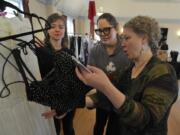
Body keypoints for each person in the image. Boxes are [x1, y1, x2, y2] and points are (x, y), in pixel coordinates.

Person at [76, 15, 179, 135]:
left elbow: (145, 119)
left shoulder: (163, 73)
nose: (123, 43)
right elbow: (105, 97)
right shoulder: (128, 70)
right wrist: (73, 103)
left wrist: (105, 86)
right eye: (122, 38)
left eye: (127, 38)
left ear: (144, 39)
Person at [86, 13, 130, 135]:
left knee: (114, 130)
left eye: (106, 29)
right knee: (98, 127)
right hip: (102, 99)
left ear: (116, 28)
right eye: (99, 31)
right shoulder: (95, 51)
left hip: (121, 101)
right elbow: (90, 76)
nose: (103, 34)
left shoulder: (127, 48)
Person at [35, 13, 75, 135]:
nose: (57, 29)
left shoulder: (69, 52)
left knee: (69, 128)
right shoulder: (40, 51)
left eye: (61, 27)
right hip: (49, 98)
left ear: (65, 31)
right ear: (47, 30)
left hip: (67, 97)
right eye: (53, 26)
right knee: (54, 129)